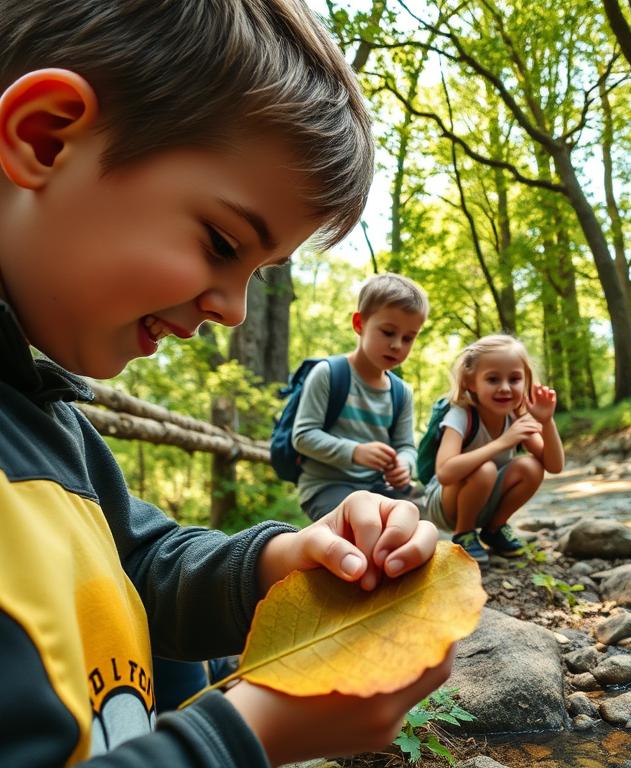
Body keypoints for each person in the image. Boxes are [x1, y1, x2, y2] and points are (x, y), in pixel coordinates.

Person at [0, 2, 450, 765]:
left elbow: (140, 566)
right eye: (220, 242)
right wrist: (250, 735)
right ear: (44, 138)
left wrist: (285, 563)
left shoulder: (52, 427)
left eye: (255, 274)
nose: (233, 309)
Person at [293, 273, 427, 532]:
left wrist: (404, 464)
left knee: (413, 525)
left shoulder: (401, 393)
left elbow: (406, 446)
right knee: (362, 530)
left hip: (377, 487)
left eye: (409, 338)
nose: (397, 345)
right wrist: (356, 452)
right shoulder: (329, 374)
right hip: (326, 486)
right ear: (359, 323)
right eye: (388, 332)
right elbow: (303, 436)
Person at [423, 335, 565, 566]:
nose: (505, 388)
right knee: (485, 469)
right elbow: (445, 473)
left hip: (485, 499)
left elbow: (554, 466)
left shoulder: (517, 414)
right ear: (471, 382)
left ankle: (494, 528)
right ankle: (464, 533)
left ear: (526, 381)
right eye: (493, 379)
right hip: (445, 505)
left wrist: (547, 422)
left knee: (531, 465)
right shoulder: (461, 415)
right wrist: (503, 442)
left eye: (515, 379)